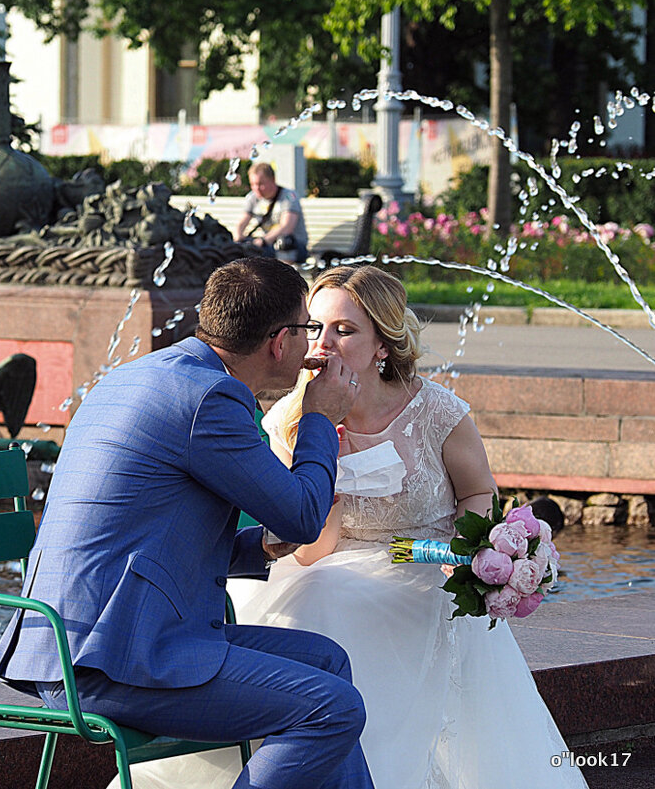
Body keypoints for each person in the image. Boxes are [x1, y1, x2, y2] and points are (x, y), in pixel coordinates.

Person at [115, 265, 587, 789]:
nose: (324, 343)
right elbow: (310, 549)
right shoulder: (292, 419)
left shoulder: (436, 412)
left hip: (431, 570)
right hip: (332, 566)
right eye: (314, 328)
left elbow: (479, 488)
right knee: (325, 596)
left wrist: (475, 545)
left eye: (344, 330)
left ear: (382, 344)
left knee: (353, 602)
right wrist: (328, 471)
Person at [0, 257, 375, 789]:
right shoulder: (209, 400)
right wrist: (318, 416)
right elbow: (305, 516)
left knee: (327, 663)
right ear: (280, 342)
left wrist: (258, 547)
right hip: (106, 659)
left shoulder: (143, 374)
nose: (315, 344)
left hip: (75, 640)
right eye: (308, 327)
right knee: (330, 709)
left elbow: (149, 532)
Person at [234, 162, 309, 264]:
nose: (257, 188)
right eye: (253, 184)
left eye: (261, 184)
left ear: (273, 180)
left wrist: (263, 241)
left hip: (292, 246)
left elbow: (286, 227)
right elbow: (242, 223)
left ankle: (285, 277)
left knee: (283, 242)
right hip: (268, 246)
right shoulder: (252, 198)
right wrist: (237, 238)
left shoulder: (289, 196)